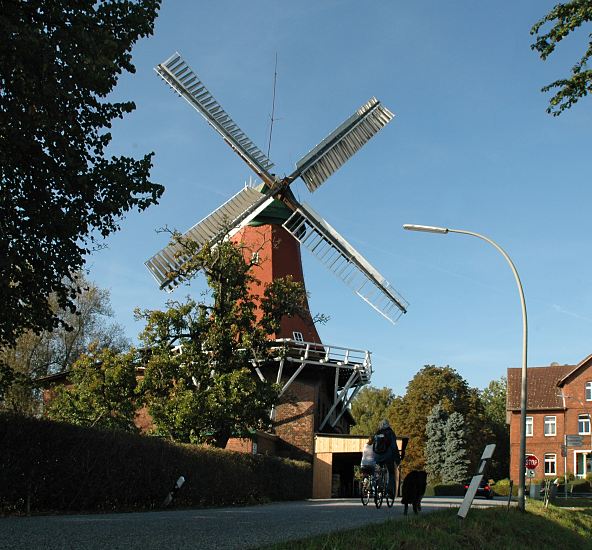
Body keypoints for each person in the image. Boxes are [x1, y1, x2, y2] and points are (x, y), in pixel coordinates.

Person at [373, 419, 401, 496]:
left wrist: (375, 456)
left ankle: (378, 485)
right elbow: (394, 447)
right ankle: (389, 490)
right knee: (391, 473)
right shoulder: (390, 433)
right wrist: (397, 459)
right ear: (388, 425)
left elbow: (373, 447)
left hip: (378, 456)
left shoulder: (377, 433)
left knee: (378, 471)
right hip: (388, 456)